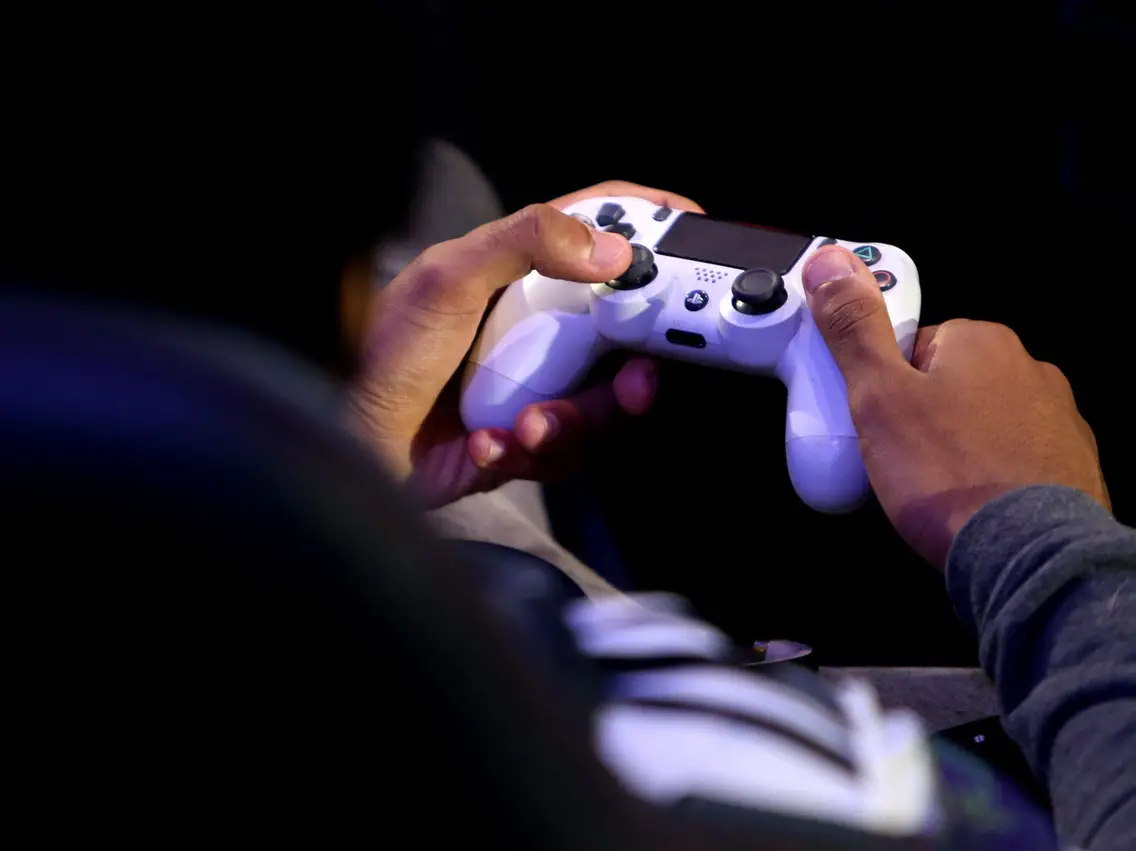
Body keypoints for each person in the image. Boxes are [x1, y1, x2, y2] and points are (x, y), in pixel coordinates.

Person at [4, 5, 1132, 849]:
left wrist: (335, 456)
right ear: (350, 291)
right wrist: (1037, 538)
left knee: (455, 192)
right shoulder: (748, 777)